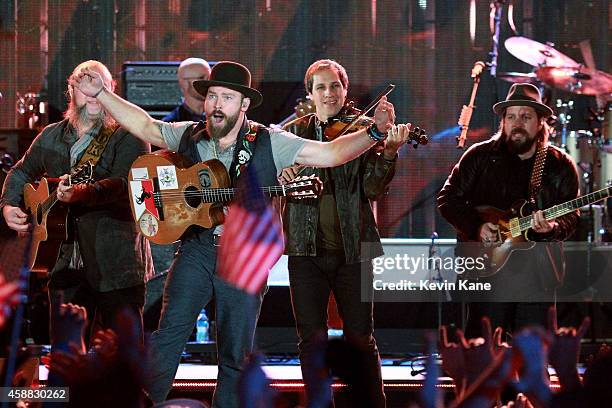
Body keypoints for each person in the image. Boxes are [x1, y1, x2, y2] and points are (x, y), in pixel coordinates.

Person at [71, 60, 407, 407]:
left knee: (234, 354)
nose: (216, 105)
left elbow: (331, 153)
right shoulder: (189, 134)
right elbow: (145, 124)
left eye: (227, 98)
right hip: (197, 250)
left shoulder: (269, 141)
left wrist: (374, 134)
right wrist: (102, 93)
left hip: (243, 258)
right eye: (212, 96)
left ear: (244, 104)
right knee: (168, 336)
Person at [280, 59, 409, 407]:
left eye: (335, 86)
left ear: (345, 90)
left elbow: (373, 189)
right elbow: (268, 180)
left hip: (354, 251)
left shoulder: (364, 131)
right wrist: (282, 175)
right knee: (310, 339)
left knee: (361, 338)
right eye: (320, 87)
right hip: (305, 251)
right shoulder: (291, 134)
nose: (329, 93)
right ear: (310, 94)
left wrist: (389, 153)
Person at [0, 60, 151, 344]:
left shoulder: (129, 133)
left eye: (100, 86)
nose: (93, 93)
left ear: (112, 90)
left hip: (116, 262)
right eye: (85, 86)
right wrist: (8, 204)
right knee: (65, 359)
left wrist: (83, 193)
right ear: (72, 91)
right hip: (63, 263)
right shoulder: (52, 135)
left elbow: (124, 185)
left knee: (122, 360)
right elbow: (20, 171)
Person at [437, 83, 579, 334]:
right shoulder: (479, 157)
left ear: (541, 122)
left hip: (538, 275)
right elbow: (448, 200)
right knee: (484, 355)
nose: (517, 123)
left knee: (533, 358)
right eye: (511, 116)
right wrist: (477, 227)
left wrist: (552, 227)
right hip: (486, 271)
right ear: (503, 121)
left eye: (526, 117)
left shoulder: (560, 165)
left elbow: (572, 216)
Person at [163, 57, 211, 122]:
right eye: (201, 78)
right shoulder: (171, 125)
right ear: (184, 83)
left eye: (210, 77)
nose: (208, 82)